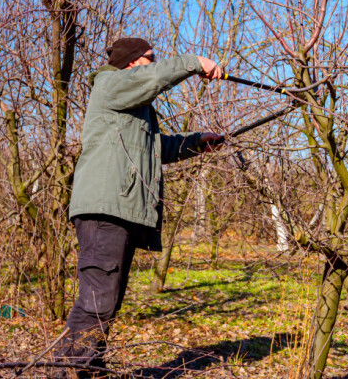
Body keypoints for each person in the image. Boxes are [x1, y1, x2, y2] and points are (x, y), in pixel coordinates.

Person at [53, 37, 223, 375]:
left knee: (107, 298)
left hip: (119, 209)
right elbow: (153, 78)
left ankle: (85, 366)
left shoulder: (129, 106)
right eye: (150, 58)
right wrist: (194, 62)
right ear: (132, 62)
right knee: (98, 298)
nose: (154, 62)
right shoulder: (111, 84)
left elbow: (154, 148)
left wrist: (195, 143)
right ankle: (71, 369)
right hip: (106, 210)